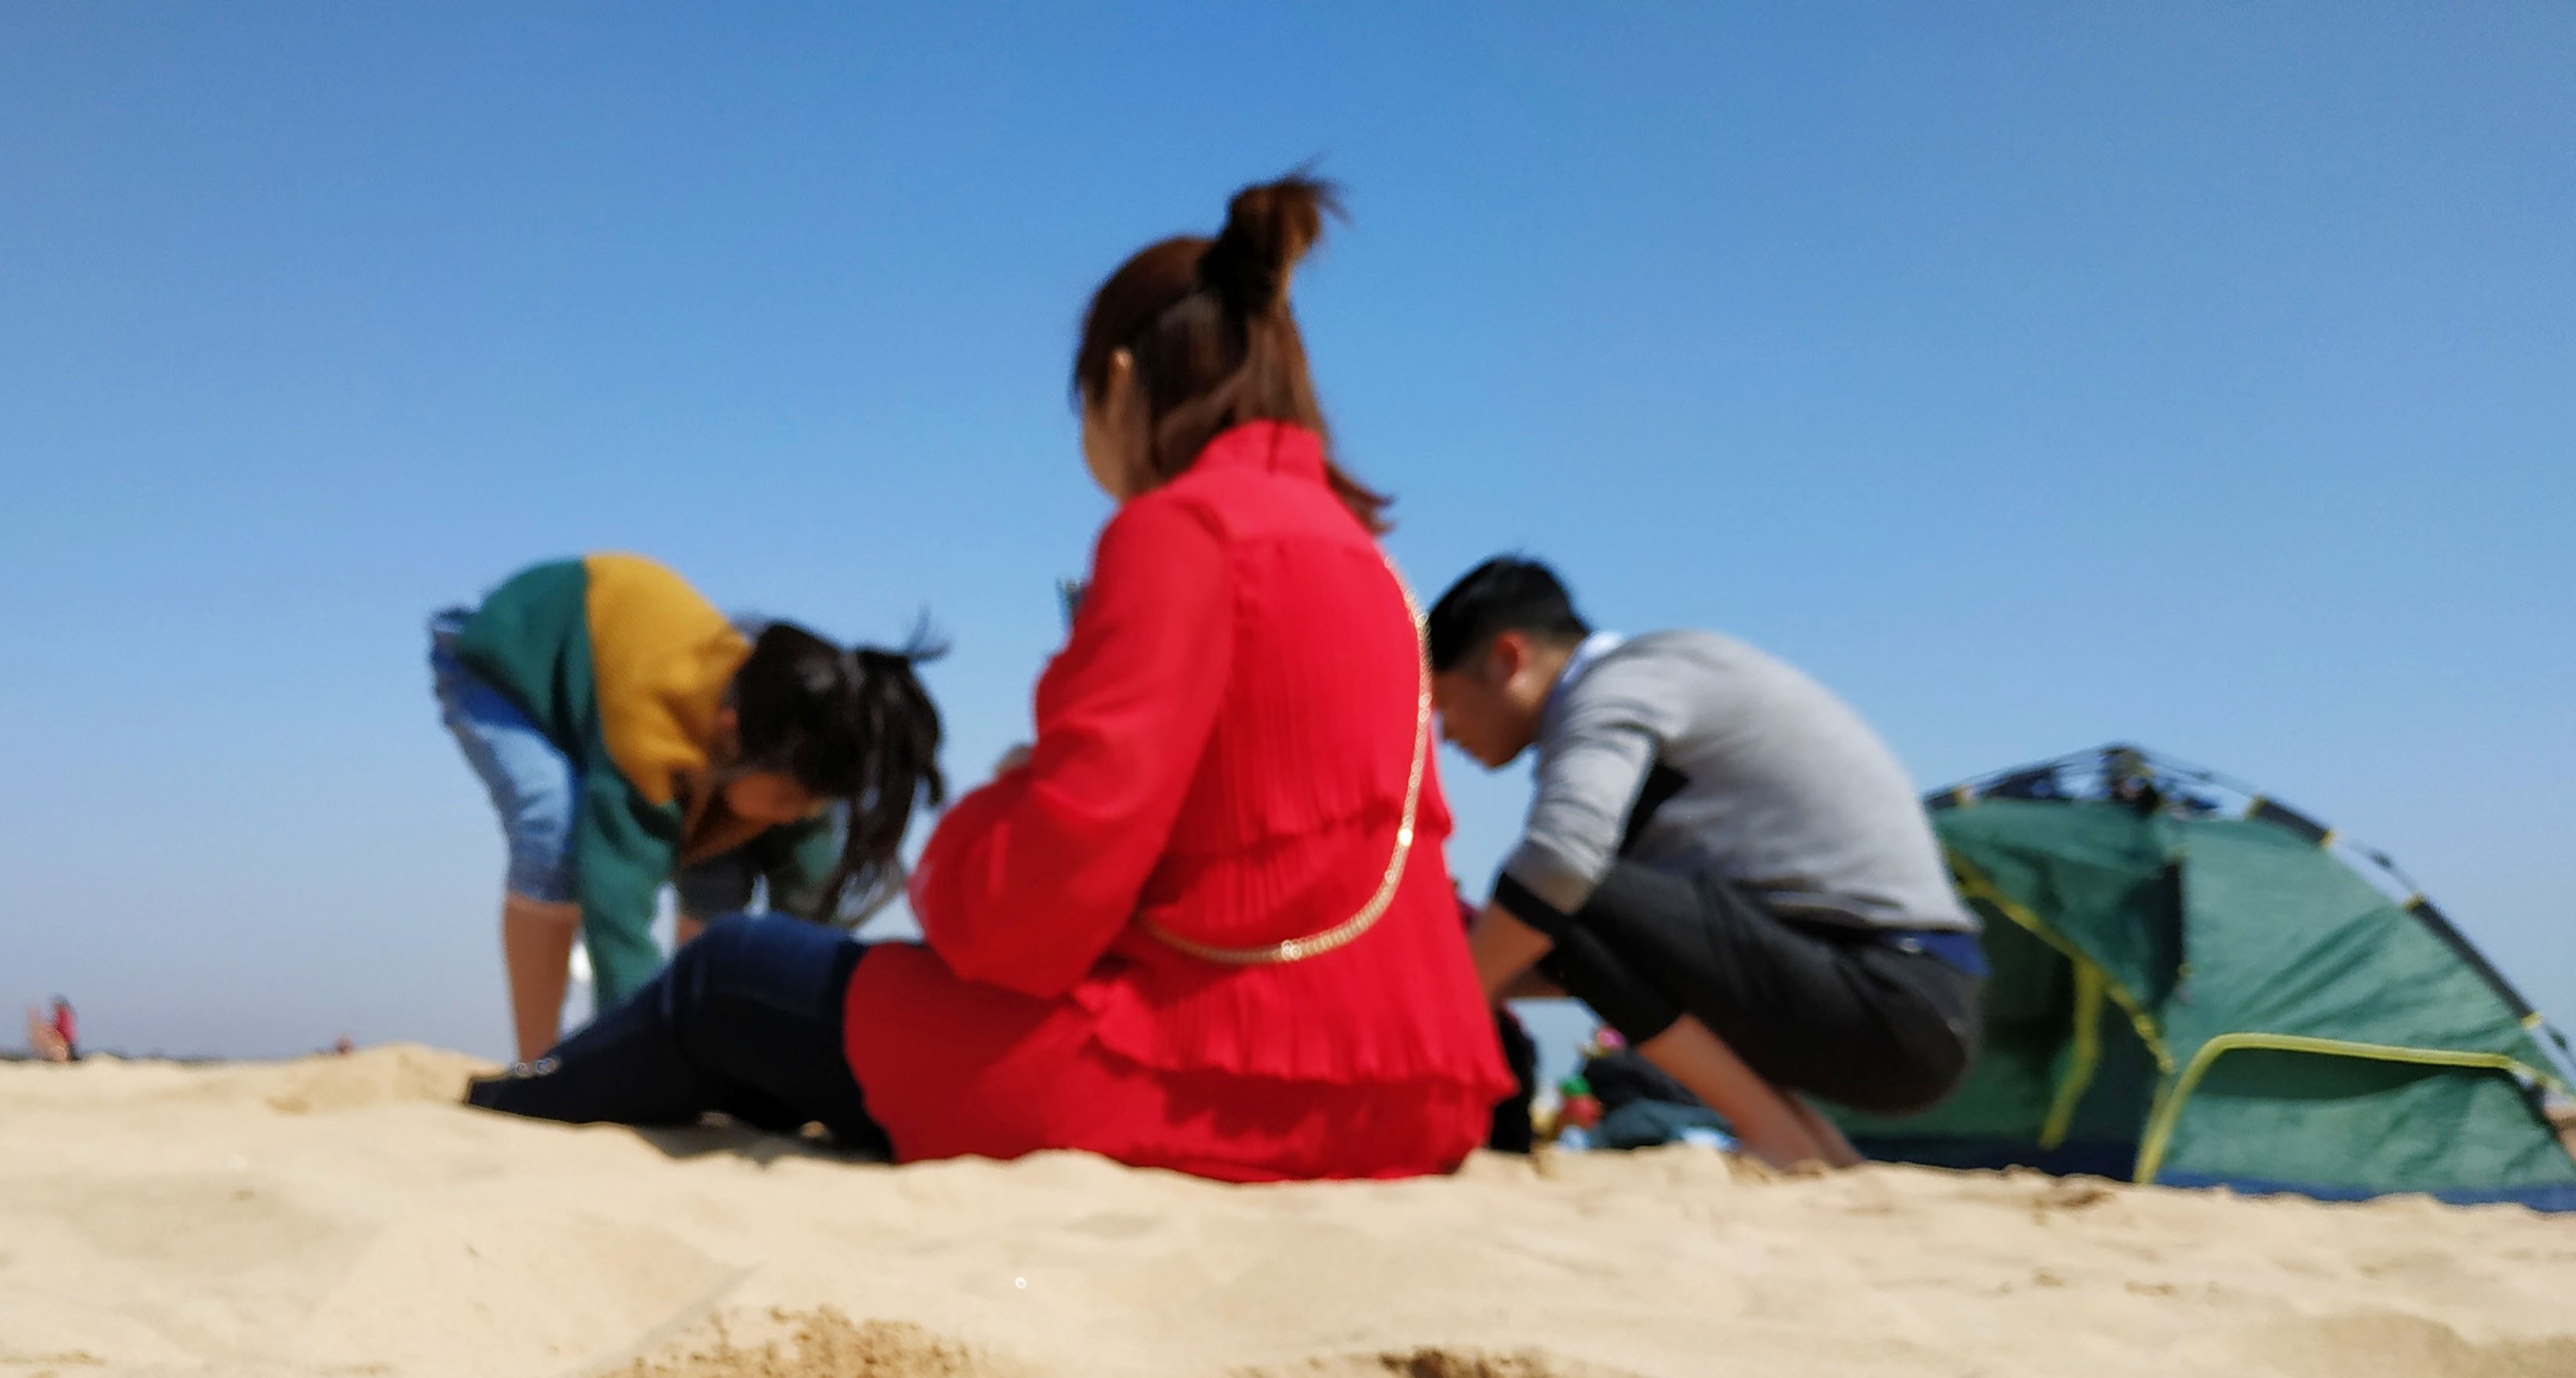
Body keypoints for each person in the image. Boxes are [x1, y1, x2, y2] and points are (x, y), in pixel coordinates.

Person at [469, 180, 1512, 1182]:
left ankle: (509, 1107)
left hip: (1202, 1074)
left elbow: (1032, 912)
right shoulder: (1374, 568)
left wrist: (989, 813)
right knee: (781, 1008)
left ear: (1115, 380)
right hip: (1413, 1091)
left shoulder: (1180, 532)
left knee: (729, 975)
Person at [1431, 559, 1985, 1166]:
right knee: (1554, 911)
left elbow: (1562, 864)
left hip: (1896, 997)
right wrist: (1487, 980)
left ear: (1506, 658)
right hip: (1903, 1000)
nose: (1445, 736)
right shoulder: (1665, 679)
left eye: (1444, 705)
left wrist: (1442, 1003)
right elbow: (1598, 954)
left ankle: (1777, 1134)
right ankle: (1811, 1142)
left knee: (1563, 890)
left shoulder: (1621, 685)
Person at [431, 559, 947, 1059]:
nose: (798, 813)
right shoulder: (648, 743)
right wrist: (633, 1053)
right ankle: (538, 1061)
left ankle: (708, 1045)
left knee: (726, 866)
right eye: (790, 799)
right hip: (506, 656)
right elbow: (618, 923)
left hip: (642, 708)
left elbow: (810, 920)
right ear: (730, 733)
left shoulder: (795, 756)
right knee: (555, 826)